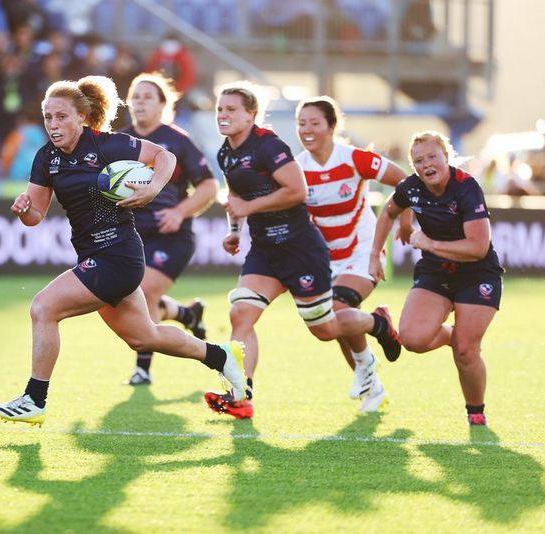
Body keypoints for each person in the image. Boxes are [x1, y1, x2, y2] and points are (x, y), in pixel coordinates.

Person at [0, 75, 246, 426]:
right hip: (96, 256)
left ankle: (35, 398)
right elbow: (36, 215)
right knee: (144, 336)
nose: (53, 124)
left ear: (81, 116)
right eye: (48, 117)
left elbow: (164, 156)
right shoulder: (46, 157)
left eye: (61, 116)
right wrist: (24, 210)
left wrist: (154, 187)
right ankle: (221, 357)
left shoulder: (107, 145)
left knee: (43, 308)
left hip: (118, 255)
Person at [204, 81, 402, 420]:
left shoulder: (270, 147)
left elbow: (296, 192)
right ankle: (241, 396)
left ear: (252, 115)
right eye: (220, 108)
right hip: (266, 249)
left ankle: (376, 324)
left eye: (231, 109)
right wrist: (234, 231)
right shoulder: (226, 152)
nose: (223, 114)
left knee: (325, 328)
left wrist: (408, 222)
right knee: (240, 312)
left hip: (300, 248)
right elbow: (235, 199)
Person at [369, 130, 504, 426]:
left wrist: (430, 243)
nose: (426, 163)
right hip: (436, 271)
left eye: (432, 156)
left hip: (477, 272)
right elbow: (389, 211)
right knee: (413, 340)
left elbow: (478, 247)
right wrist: (375, 253)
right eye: (419, 160)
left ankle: (475, 410)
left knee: (466, 352)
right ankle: (454, 336)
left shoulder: (466, 187)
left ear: (447, 156)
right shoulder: (411, 187)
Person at [295, 96, 413, 412]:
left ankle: (377, 324)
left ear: (332, 127)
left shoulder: (354, 159)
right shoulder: (297, 168)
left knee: (337, 309)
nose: (307, 129)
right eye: (302, 123)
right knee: (335, 325)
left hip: (363, 250)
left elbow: (403, 181)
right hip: (325, 258)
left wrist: (405, 219)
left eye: (315, 122)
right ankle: (372, 385)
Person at [120, 72, 219, 386]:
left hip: (171, 236)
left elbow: (208, 186)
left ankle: (143, 368)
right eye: (135, 96)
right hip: (131, 236)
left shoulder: (176, 140)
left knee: (143, 291)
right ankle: (188, 315)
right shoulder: (121, 142)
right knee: (125, 296)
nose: (139, 102)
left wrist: (179, 211)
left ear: (164, 104)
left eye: (148, 97)